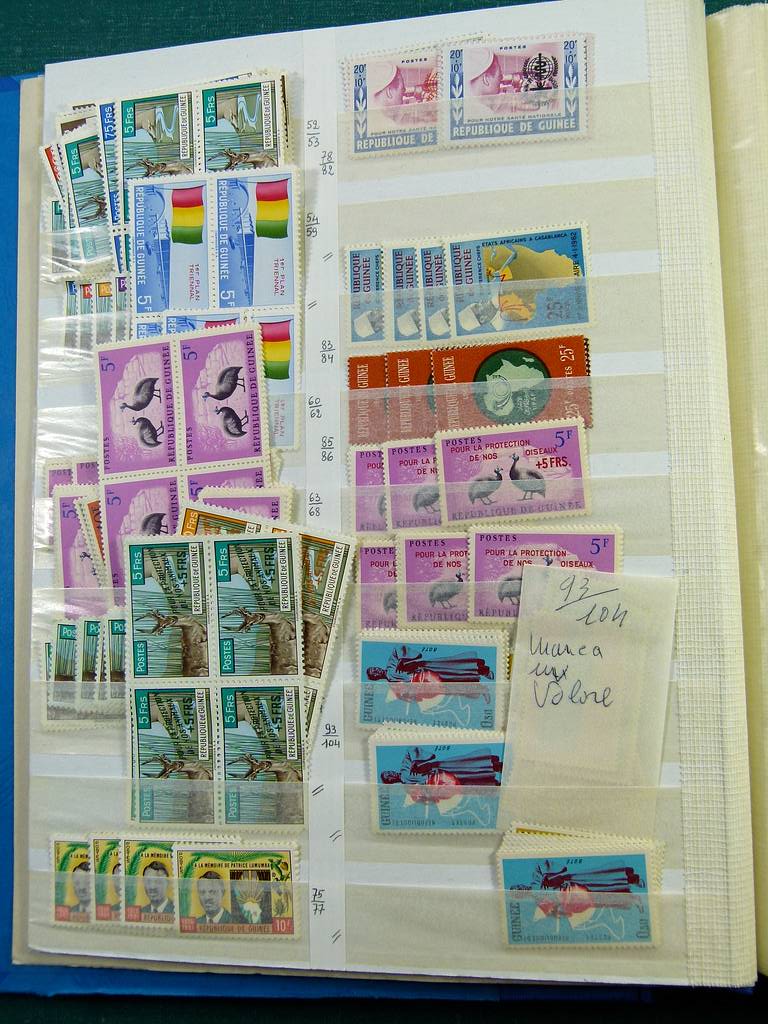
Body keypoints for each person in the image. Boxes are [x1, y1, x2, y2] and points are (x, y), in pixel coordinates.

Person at [365, 644, 493, 704]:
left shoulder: (390, 665)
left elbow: (398, 650)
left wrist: (406, 660)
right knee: (453, 686)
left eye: (374, 668)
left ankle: (483, 670)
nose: (376, 671)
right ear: (376, 678)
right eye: (374, 673)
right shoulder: (392, 685)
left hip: (425, 669)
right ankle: (481, 689)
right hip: (426, 684)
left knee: (452, 667)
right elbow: (407, 698)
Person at [380, 744, 503, 792]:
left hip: (440, 769)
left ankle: (495, 766)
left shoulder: (404, 769)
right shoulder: (407, 788)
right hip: (440, 784)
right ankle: (494, 782)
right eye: (388, 776)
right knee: (467, 783)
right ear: (390, 781)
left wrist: (418, 762)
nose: (390, 773)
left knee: (465, 766)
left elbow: (411, 750)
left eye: (388, 772)